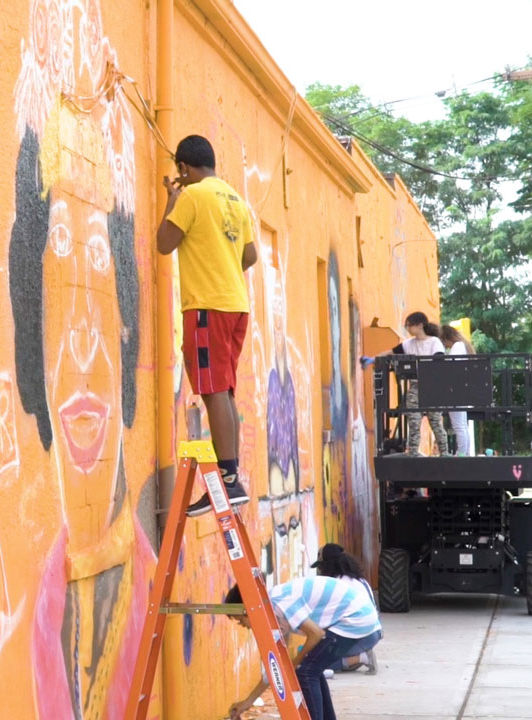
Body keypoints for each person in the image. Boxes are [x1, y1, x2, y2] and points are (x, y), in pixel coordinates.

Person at [156, 135, 258, 516]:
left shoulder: (193, 197)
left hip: (207, 306)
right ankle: (232, 479)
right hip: (235, 305)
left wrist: (171, 201)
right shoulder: (235, 199)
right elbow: (249, 255)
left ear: (183, 169)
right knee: (225, 390)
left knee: (213, 391)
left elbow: (164, 243)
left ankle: (229, 482)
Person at [224, 573, 382, 720]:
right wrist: (247, 702)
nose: (243, 626)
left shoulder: (278, 603)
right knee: (312, 669)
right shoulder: (272, 616)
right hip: (357, 620)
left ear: (248, 609)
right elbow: (275, 668)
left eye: (240, 620)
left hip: (356, 620)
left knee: (306, 671)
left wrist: (296, 662)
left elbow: (316, 634)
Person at [365, 311, 449, 456]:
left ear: (420, 325)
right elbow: (391, 352)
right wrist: (374, 359)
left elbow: (438, 361)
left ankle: (444, 452)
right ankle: (413, 452)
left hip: (432, 385)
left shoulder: (434, 342)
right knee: (413, 420)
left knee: (435, 421)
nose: (408, 329)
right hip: (416, 385)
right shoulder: (408, 344)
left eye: (409, 326)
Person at [312, 543, 380, 674]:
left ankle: (362, 657)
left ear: (328, 565)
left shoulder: (336, 585)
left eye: (320, 566)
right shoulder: (359, 580)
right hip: (374, 632)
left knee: (315, 663)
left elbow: (324, 622)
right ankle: (353, 658)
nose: (319, 571)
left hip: (361, 635)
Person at [440, 325, 476, 455]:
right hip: (461, 388)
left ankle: (461, 453)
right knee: (462, 424)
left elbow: (451, 367)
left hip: (456, 389)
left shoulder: (457, 347)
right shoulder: (463, 346)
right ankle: (464, 452)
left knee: (458, 425)